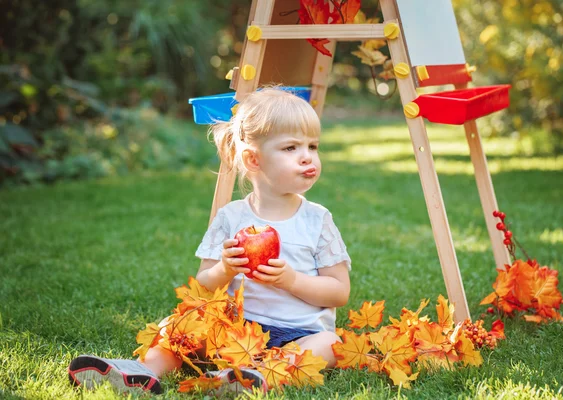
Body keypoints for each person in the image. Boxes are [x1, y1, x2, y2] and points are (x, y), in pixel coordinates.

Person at [68, 87, 352, 395]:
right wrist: (226, 271)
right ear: (253, 159)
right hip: (234, 331)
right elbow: (203, 285)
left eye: (313, 146)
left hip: (301, 333)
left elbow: (338, 292)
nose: (307, 156)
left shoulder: (317, 219)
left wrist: (291, 280)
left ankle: (254, 376)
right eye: (291, 148)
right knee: (178, 323)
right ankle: (144, 372)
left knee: (330, 344)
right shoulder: (231, 218)